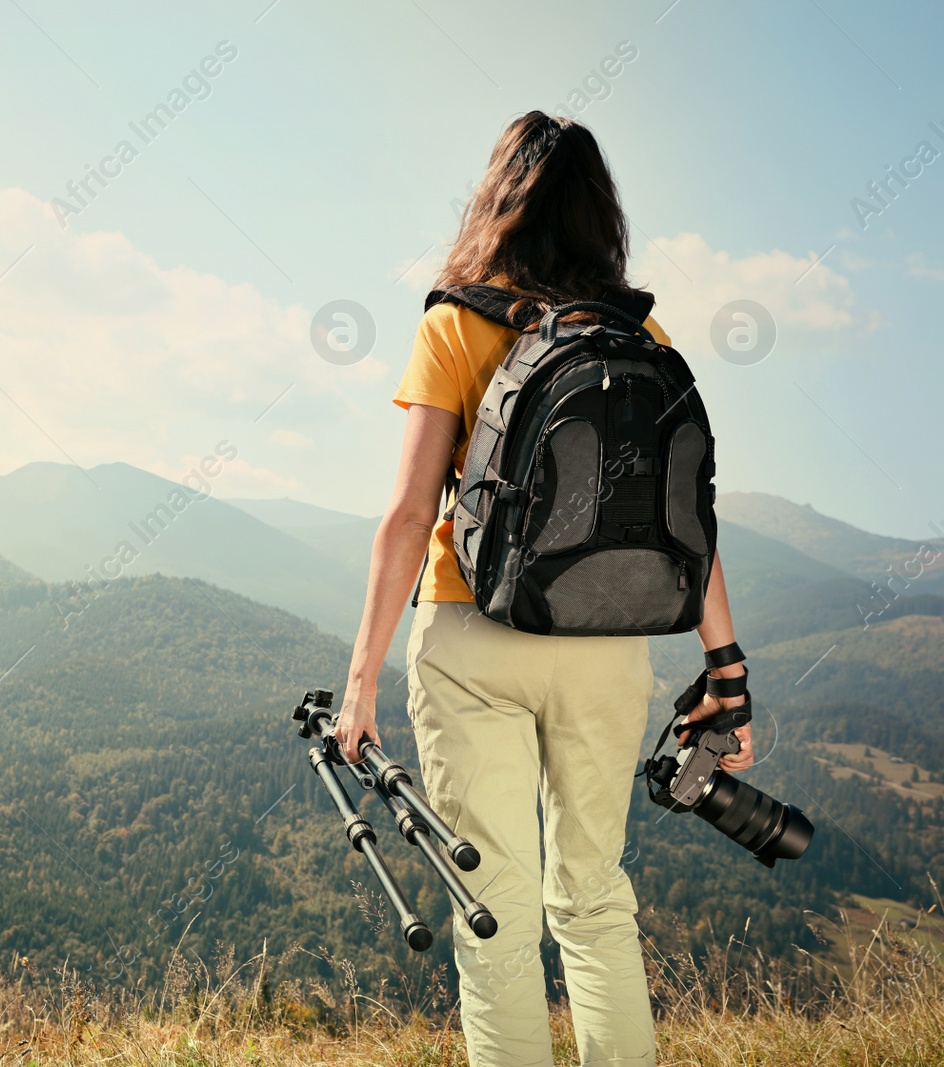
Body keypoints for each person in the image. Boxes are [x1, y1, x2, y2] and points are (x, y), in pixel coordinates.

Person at [331, 111, 752, 1067]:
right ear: (601, 215)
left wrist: (358, 686)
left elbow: (406, 518)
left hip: (474, 636)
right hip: (610, 646)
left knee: (499, 916)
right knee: (595, 896)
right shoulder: (643, 332)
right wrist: (723, 664)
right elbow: (689, 520)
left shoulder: (454, 322)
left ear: (497, 202)